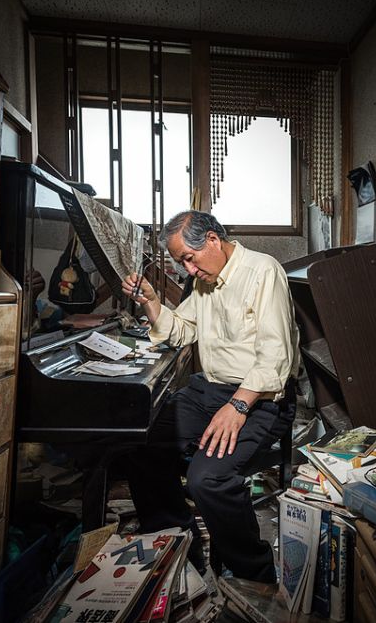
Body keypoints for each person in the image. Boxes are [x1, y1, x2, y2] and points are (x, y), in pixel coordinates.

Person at [121, 211, 300, 584]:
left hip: (262, 397)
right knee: (140, 442)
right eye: (181, 262)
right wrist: (152, 302)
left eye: (189, 258)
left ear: (214, 241)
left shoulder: (262, 272)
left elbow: (276, 359)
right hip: (211, 389)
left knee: (208, 479)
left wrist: (237, 406)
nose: (188, 270)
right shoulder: (204, 281)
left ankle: (255, 571)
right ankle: (179, 544)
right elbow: (182, 329)